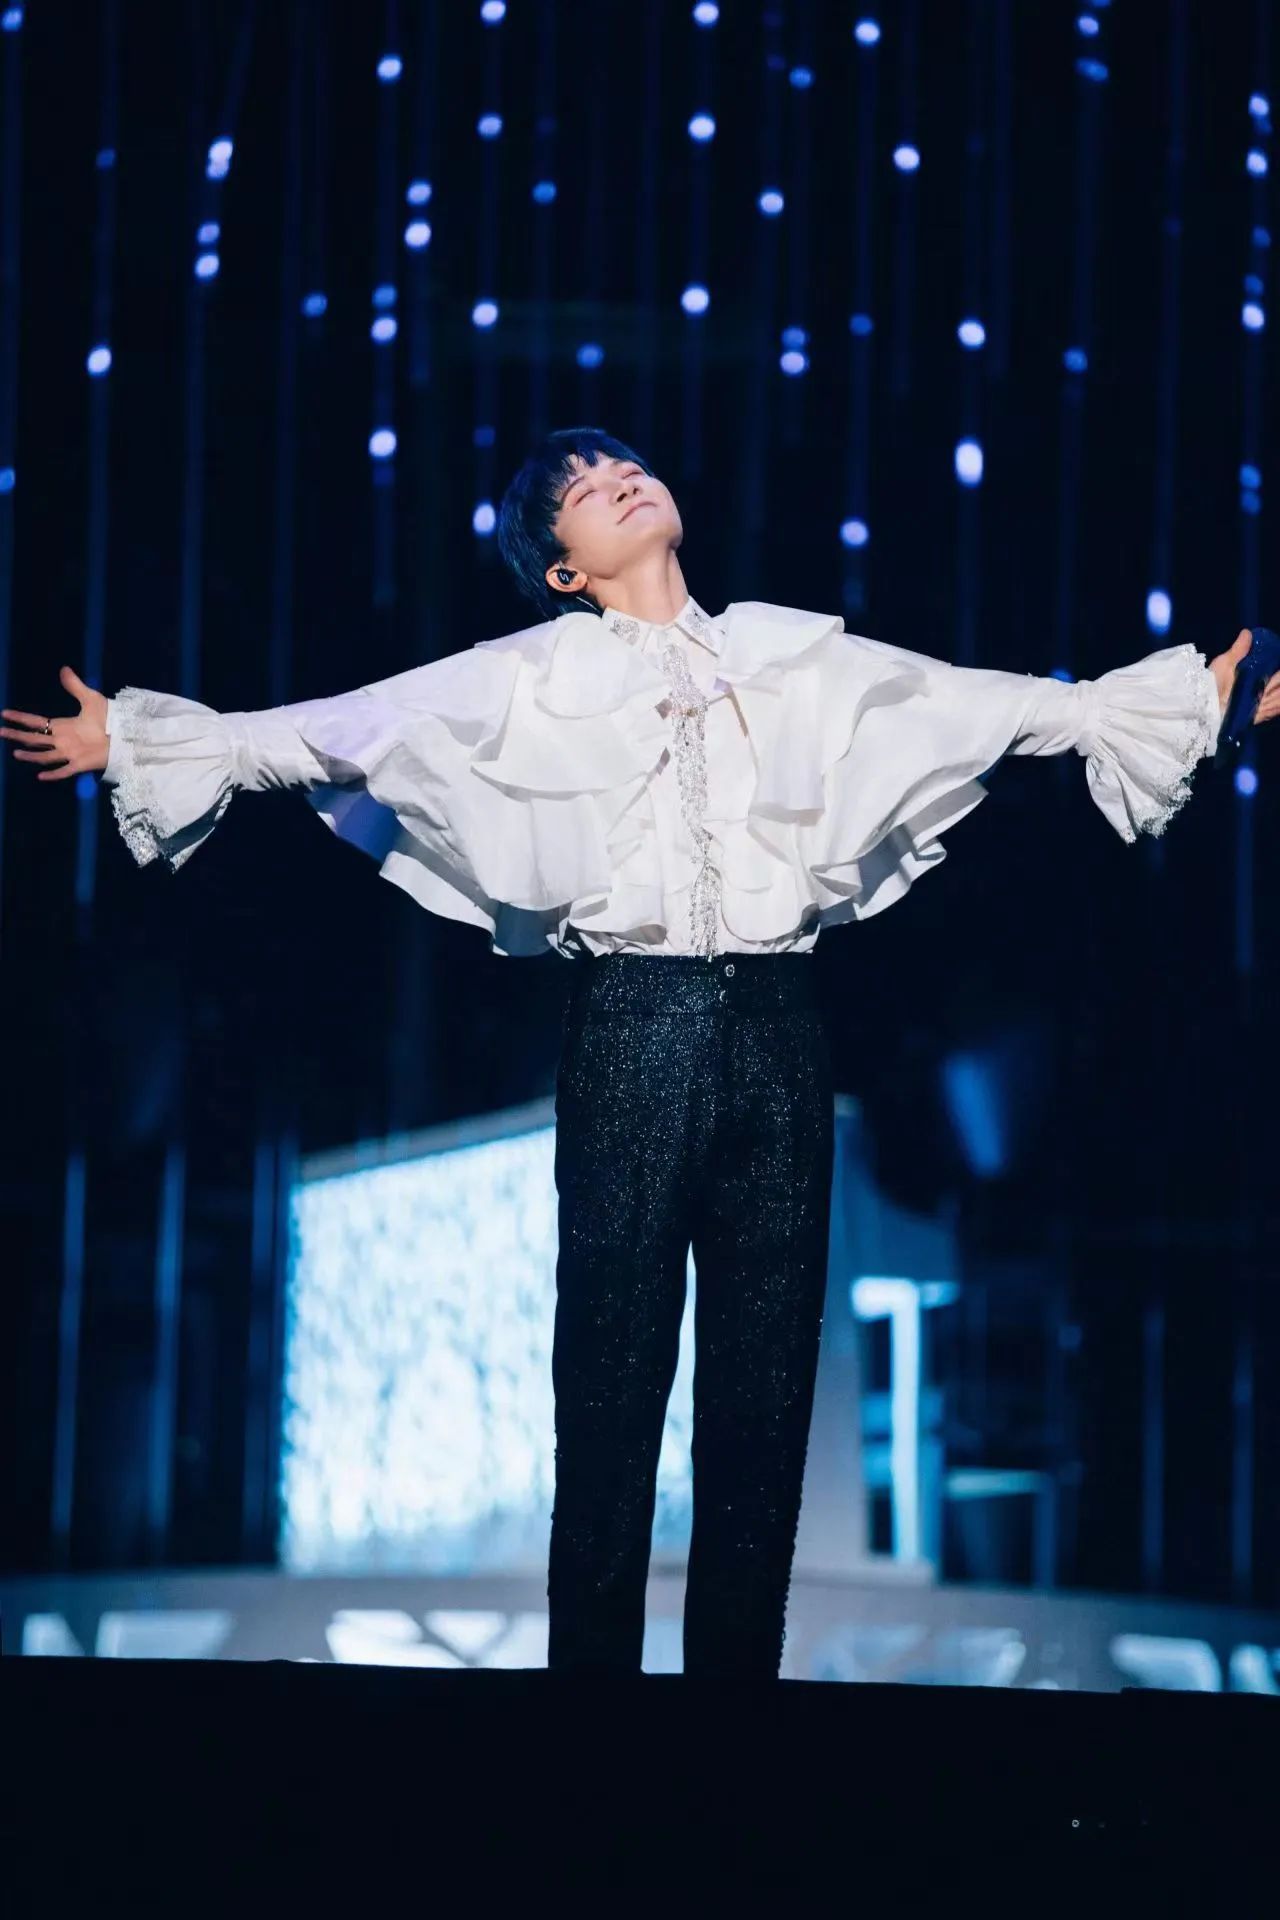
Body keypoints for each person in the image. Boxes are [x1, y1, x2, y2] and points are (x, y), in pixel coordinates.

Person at [5, 424, 1278, 1678]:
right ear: (560, 566)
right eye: (577, 486)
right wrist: (140, 741)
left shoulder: (790, 656)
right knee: (610, 1384)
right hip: (632, 1027)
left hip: (780, 1033)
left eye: (621, 463)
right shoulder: (521, 675)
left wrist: (1195, 702)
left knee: (764, 1396)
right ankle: (594, 1722)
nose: (612, 478)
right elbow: (335, 732)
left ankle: (731, 1715)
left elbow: (990, 707)